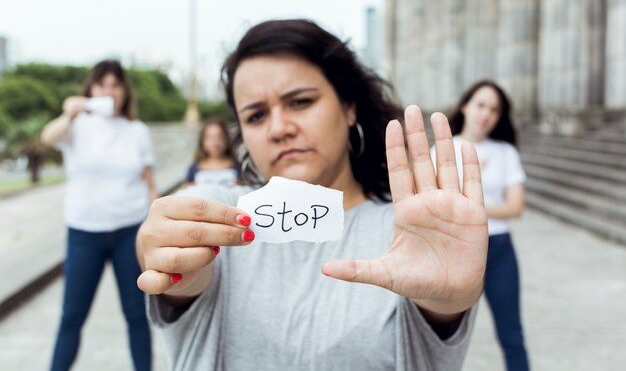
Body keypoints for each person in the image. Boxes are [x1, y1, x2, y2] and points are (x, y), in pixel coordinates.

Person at [136, 20, 489, 371]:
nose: (279, 128)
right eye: (257, 115)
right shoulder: (224, 216)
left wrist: (449, 301)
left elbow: (439, 309)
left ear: (349, 106)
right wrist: (170, 257)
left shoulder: (410, 229)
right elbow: (171, 249)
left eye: (300, 102)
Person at [41, 60, 155, 371]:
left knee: (136, 314)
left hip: (129, 230)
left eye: (115, 84)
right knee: (72, 315)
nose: (109, 91)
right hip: (84, 232)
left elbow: (150, 183)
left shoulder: (137, 131)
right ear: (91, 89)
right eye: (102, 84)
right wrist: (69, 113)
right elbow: (48, 138)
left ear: (124, 91)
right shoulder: (77, 126)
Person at [445, 80, 530, 371]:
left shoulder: (505, 152)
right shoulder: (442, 150)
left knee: (511, 333)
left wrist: (467, 205)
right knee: (444, 335)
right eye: (481, 105)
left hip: (499, 249)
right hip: (456, 249)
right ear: (465, 105)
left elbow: (515, 207)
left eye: (495, 109)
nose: (486, 114)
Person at [182, 118, 238, 188]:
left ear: (227, 139)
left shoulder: (239, 167)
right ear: (202, 141)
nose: (215, 141)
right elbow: (185, 189)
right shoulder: (193, 169)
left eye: (220, 136)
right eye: (210, 137)